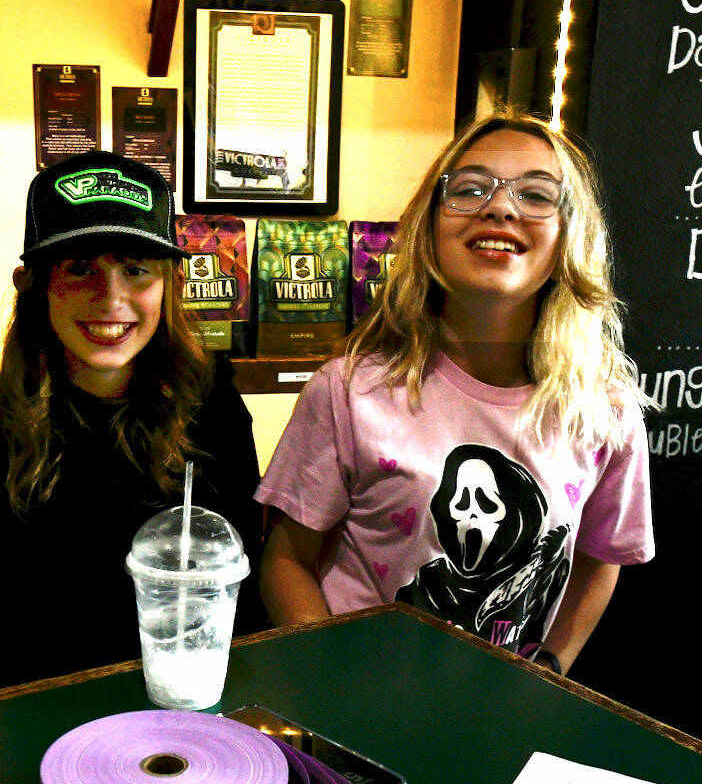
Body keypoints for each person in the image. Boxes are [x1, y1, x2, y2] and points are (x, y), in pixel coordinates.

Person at [255, 110, 652, 673]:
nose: (501, 206)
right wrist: (334, 686)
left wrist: (551, 669)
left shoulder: (605, 408)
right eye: (469, 189)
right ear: (428, 226)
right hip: (359, 720)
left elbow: (600, 558)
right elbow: (287, 561)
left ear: (570, 234)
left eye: (537, 195)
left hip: (502, 721)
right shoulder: (347, 391)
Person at [0, 151, 263, 702]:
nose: (111, 298)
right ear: (35, 285)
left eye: (135, 269)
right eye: (80, 268)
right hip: (39, 721)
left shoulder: (213, 414)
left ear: (169, 284)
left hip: (191, 708)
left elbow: (245, 589)